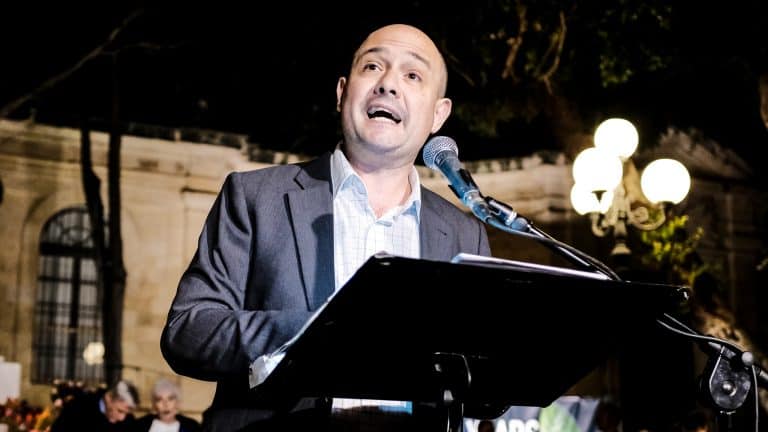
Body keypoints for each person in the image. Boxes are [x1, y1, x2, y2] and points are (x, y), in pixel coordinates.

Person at [160, 23, 491, 432]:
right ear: (341, 93)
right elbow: (188, 331)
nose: (388, 83)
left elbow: (485, 393)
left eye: (412, 75)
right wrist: (313, 332)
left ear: (438, 115)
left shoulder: (465, 234)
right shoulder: (255, 197)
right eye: (372, 66)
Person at [50, 380, 139, 432]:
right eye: (120, 411)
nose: (122, 418)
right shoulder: (78, 406)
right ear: (108, 398)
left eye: (126, 413)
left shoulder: (128, 420)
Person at [133, 379, 200, 432]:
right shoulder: (140, 425)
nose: (165, 404)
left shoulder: (192, 427)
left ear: (177, 402)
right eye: (159, 400)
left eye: (170, 399)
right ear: (154, 404)